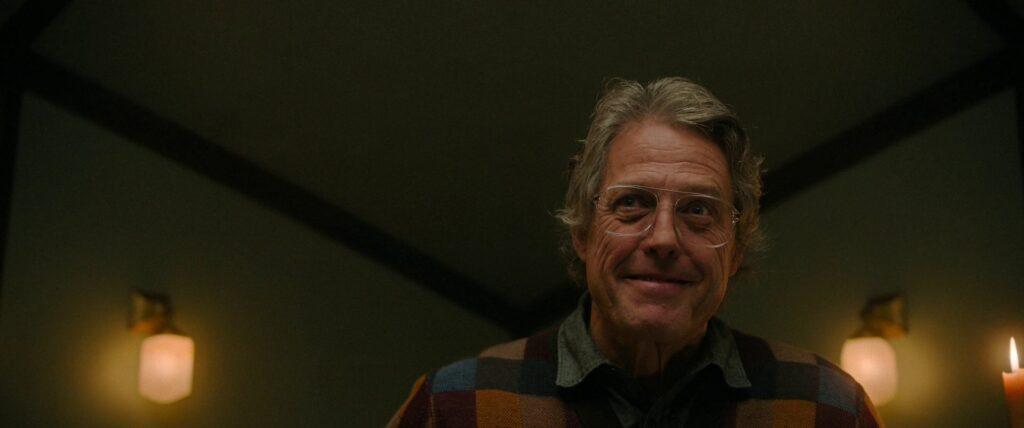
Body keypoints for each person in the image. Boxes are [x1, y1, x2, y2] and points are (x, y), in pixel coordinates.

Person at [388, 77, 882, 427]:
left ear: (735, 249)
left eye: (698, 210)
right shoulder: (456, 407)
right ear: (583, 233)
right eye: (631, 204)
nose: (663, 239)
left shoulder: (827, 410)